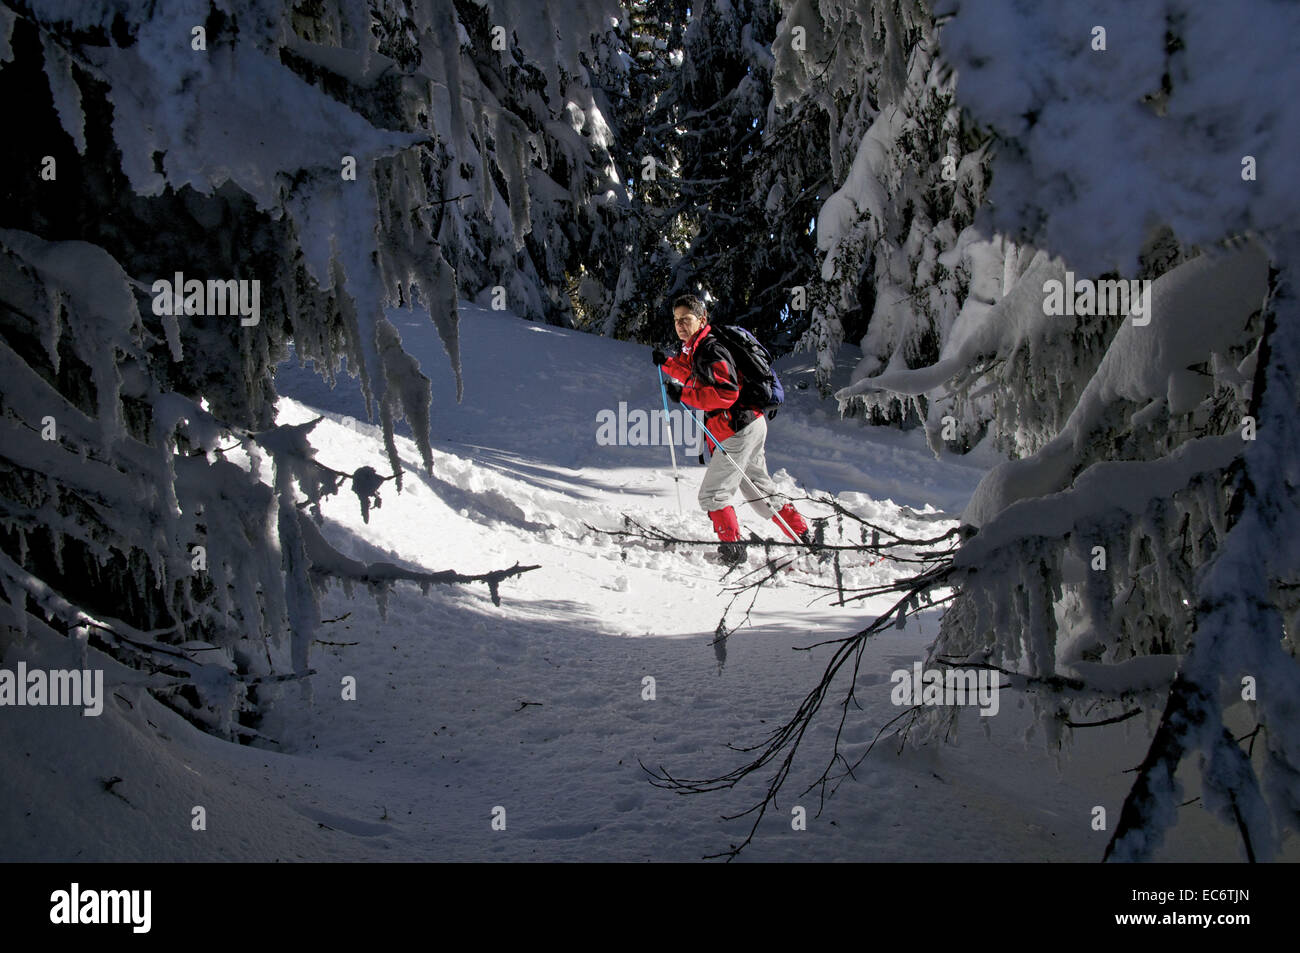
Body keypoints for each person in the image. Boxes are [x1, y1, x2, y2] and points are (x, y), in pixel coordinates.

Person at [652, 294, 811, 565]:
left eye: (686, 319)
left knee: (713, 494)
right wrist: (668, 365)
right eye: (677, 320)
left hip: (736, 428)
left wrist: (686, 395)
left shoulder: (710, 349)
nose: (680, 325)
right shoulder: (699, 347)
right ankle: (806, 538)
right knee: (760, 492)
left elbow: (726, 392)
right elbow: (696, 375)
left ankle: (732, 551)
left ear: (702, 320)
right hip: (750, 423)